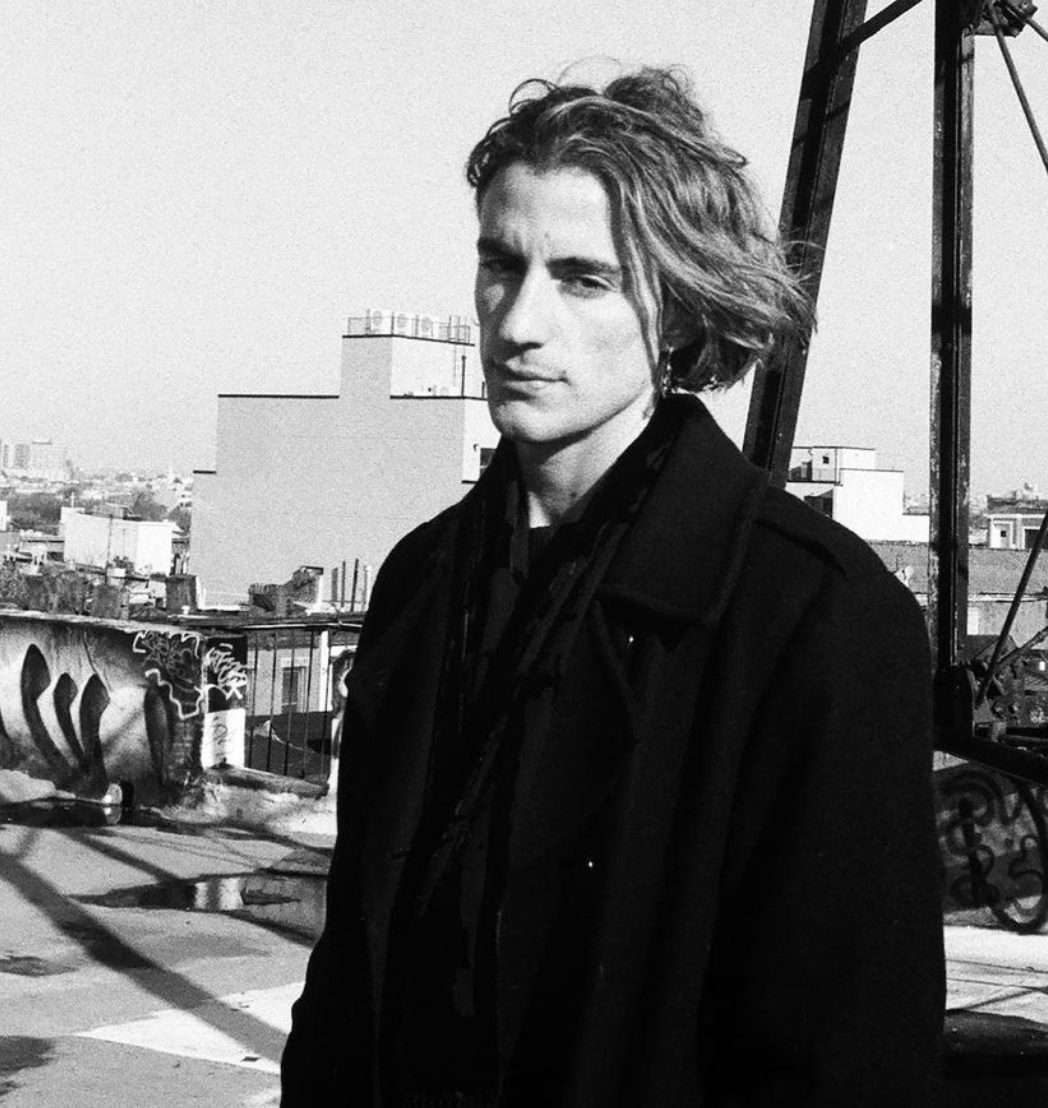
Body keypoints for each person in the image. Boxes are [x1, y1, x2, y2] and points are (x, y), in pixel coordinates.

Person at [282, 67, 945, 1107]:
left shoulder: (815, 617)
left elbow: (844, 1060)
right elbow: (349, 979)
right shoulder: (422, 580)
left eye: (583, 279)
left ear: (676, 313)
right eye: (501, 265)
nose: (519, 322)